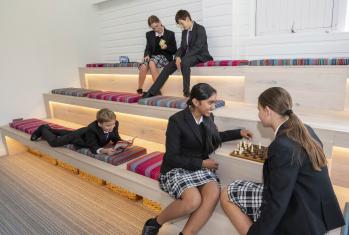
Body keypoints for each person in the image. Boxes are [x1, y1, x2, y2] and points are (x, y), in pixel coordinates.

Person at [220, 87, 345, 235]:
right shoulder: (305, 129)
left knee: (228, 193)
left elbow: (277, 203)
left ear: (268, 110)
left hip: (300, 214)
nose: (258, 114)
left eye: (259, 109)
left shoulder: (282, 146)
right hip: (315, 206)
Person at [141, 83, 253, 235]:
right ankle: (155, 223)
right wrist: (201, 163)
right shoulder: (176, 121)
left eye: (214, 102)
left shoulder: (208, 117)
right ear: (195, 102)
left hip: (199, 167)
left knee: (213, 192)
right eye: (210, 102)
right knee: (193, 201)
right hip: (177, 168)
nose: (213, 107)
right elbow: (172, 157)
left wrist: (238, 132)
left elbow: (215, 137)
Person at [142, 10, 213, 98]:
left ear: (187, 19)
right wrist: (177, 56)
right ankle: (152, 92)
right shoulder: (184, 32)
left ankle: (186, 92)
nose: (181, 26)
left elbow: (197, 48)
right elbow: (182, 47)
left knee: (185, 61)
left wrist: (182, 59)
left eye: (181, 23)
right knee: (169, 66)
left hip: (200, 55)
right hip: (187, 57)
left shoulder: (200, 29)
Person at [30, 108, 123, 156]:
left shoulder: (114, 123)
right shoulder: (92, 129)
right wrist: (105, 150)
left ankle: (48, 129)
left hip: (84, 132)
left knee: (65, 133)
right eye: (108, 125)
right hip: (80, 137)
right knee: (55, 142)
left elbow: (115, 137)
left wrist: (122, 143)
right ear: (99, 124)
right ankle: (43, 129)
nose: (112, 127)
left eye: (113, 124)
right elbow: (93, 147)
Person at [137, 15, 177, 95]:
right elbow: (147, 48)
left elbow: (174, 50)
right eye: (153, 28)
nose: (156, 29)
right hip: (153, 57)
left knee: (151, 62)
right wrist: (147, 55)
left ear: (160, 22)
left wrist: (166, 47)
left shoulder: (170, 34)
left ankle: (156, 90)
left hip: (165, 57)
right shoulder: (149, 35)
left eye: (157, 26)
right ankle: (139, 88)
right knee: (144, 66)